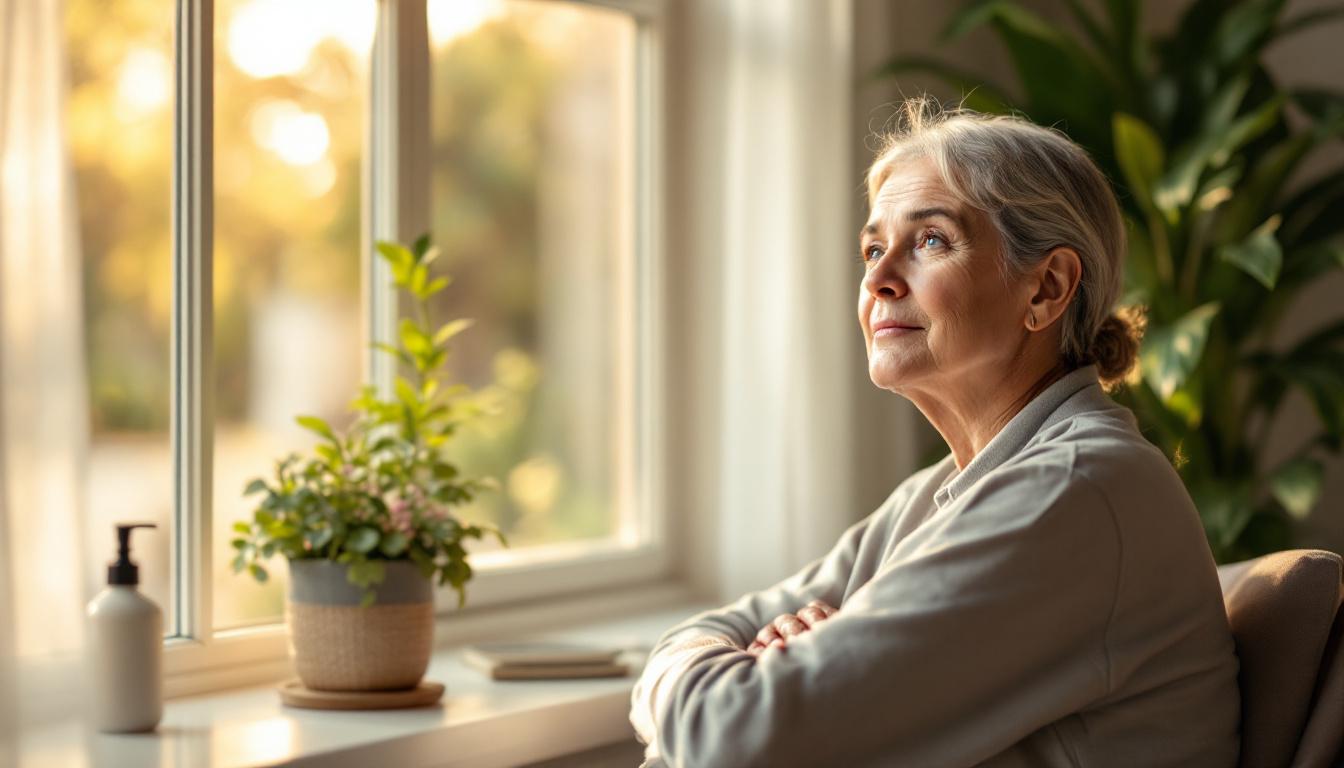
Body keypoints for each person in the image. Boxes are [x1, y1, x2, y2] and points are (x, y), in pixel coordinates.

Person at [628, 98, 1240, 767]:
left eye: (930, 241)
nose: (878, 279)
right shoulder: (935, 496)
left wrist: (725, 676)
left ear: (1046, 288)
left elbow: (730, 739)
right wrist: (728, 667)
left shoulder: (1075, 489)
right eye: (872, 249)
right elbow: (711, 644)